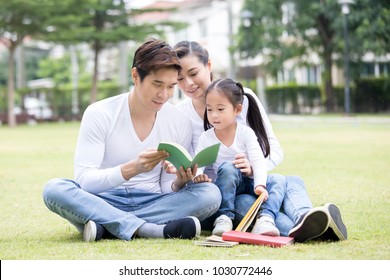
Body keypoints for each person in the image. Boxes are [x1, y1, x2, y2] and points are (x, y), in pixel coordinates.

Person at [42, 38, 222, 242]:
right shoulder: (100, 113)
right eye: (157, 84)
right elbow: (85, 182)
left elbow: (166, 188)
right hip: (105, 199)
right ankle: (150, 230)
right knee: (54, 189)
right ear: (135, 76)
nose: (164, 95)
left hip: (156, 201)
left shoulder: (179, 121)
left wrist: (180, 181)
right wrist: (133, 168)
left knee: (210, 193)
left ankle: (106, 226)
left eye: (171, 86)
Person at [173, 40, 347, 242]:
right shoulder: (181, 114)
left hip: (253, 182)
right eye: (180, 79)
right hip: (222, 195)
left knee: (291, 181)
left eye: (193, 73)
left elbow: (274, 150)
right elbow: (186, 168)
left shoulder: (242, 99)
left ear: (209, 65)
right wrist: (187, 175)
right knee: (249, 202)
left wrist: (254, 169)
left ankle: (305, 216)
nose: (188, 84)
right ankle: (309, 229)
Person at [192, 78, 285, 237]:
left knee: (278, 180)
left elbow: (258, 161)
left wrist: (260, 184)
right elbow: (199, 162)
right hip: (226, 186)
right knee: (229, 167)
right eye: (209, 109)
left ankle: (265, 219)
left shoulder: (246, 133)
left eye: (221, 109)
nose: (214, 115)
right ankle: (224, 217)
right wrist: (197, 175)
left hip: (249, 183)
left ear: (237, 110)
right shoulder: (206, 137)